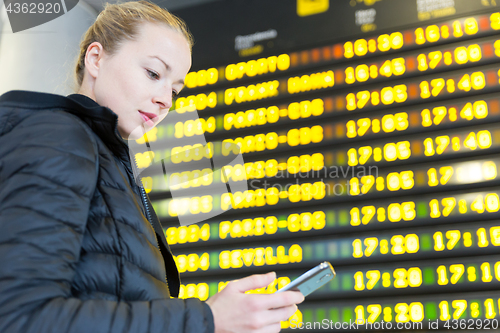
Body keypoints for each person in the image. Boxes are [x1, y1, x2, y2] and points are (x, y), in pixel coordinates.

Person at [0, 1, 304, 333]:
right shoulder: (59, 137)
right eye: (153, 73)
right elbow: (20, 316)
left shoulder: (113, 166)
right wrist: (207, 319)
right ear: (96, 59)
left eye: (174, 89)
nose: (165, 100)